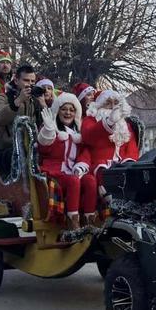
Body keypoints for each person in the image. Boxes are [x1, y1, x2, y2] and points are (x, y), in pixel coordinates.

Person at [37, 92, 97, 228]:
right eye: (64, 109)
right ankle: (72, 223)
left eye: (71, 110)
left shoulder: (78, 133)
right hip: (54, 172)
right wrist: (48, 130)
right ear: (57, 111)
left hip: (73, 171)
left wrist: (81, 166)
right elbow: (44, 148)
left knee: (91, 181)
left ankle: (89, 221)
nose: (68, 113)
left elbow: (85, 152)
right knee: (73, 181)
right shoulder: (52, 129)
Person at [0, 62, 39, 176]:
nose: (30, 85)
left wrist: (42, 104)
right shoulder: (3, 98)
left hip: (29, 148)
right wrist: (18, 101)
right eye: (26, 80)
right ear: (17, 80)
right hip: (6, 151)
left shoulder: (34, 102)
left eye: (32, 81)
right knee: (21, 157)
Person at [82, 89, 140, 182]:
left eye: (116, 103)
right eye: (108, 103)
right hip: (99, 166)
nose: (113, 107)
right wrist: (108, 122)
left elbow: (131, 148)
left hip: (121, 167)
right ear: (99, 106)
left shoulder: (125, 125)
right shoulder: (90, 120)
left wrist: (129, 162)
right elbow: (88, 137)